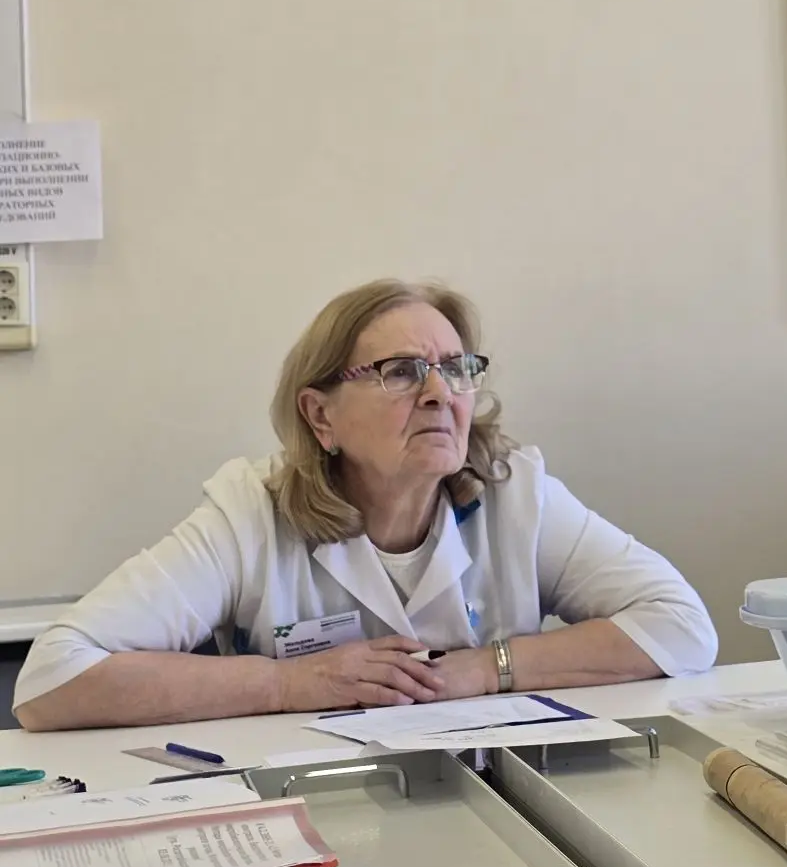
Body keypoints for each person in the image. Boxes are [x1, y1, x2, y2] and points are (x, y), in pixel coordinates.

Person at [14, 280, 717, 730]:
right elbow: (52, 679)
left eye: (456, 370)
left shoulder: (515, 494)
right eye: (401, 372)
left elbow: (683, 626)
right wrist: (288, 684)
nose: (440, 394)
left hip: (505, 801)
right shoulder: (250, 514)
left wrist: (485, 668)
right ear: (321, 416)